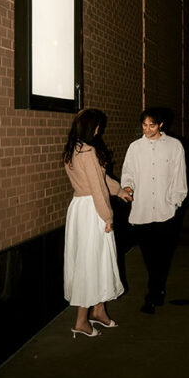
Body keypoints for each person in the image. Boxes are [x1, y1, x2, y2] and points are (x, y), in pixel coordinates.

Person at [63, 108, 133, 337]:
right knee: (91, 262)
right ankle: (81, 321)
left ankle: (99, 310)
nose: (99, 130)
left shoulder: (75, 149)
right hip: (92, 209)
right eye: (97, 126)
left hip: (80, 207)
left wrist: (119, 190)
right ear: (91, 127)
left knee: (94, 260)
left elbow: (100, 180)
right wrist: (108, 217)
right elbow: (97, 188)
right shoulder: (89, 151)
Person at [121, 107, 187, 314]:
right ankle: (155, 290)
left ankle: (154, 293)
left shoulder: (174, 147)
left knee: (164, 255)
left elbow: (180, 176)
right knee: (149, 257)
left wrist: (176, 201)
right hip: (142, 212)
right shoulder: (135, 148)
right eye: (144, 125)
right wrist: (128, 186)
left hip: (166, 211)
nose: (147, 129)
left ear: (161, 125)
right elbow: (128, 172)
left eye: (151, 125)